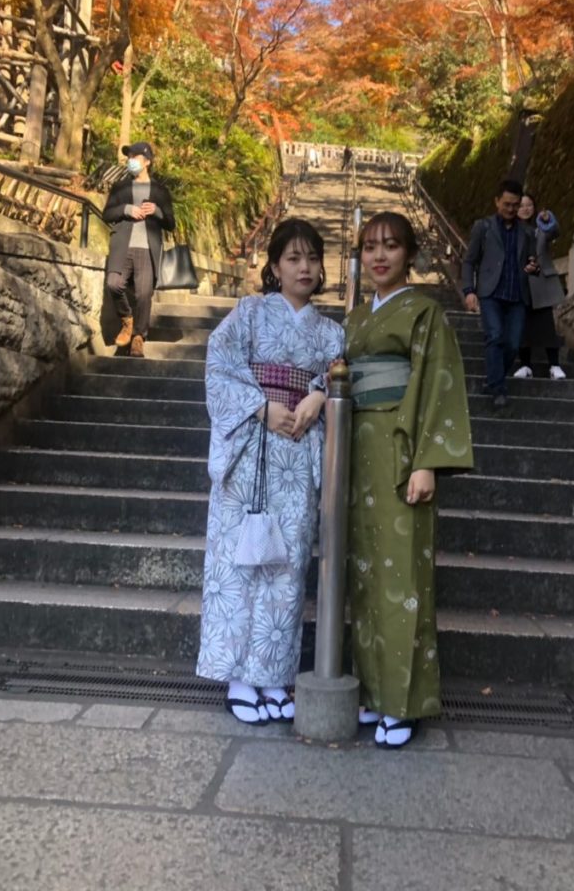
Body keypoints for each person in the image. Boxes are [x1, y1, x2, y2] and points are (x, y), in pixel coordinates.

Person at [197, 218, 344, 725]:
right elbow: (219, 364)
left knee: (287, 567)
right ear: (275, 266)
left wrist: (320, 394)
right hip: (252, 448)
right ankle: (239, 677)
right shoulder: (249, 313)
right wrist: (261, 408)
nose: (304, 268)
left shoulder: (331, 332)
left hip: (299, 454)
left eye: (312, 258)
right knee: (241, 564)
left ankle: (275, 678)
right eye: (293, 259)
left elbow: (339, 374)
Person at [344, 211, 473, 749]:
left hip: (399, 446)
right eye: (370, 247)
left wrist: (427, 461)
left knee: (403, 579)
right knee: (366, 576)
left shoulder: (425, 313)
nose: (379, 256)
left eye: (390, 246)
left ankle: (405, 700)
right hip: (355, 453)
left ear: (410, 254)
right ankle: (375, 693)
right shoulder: (355, 318)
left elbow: (437, 381)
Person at [461, 179, 538, 408]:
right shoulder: (483, 227)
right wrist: (469, 290)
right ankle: (498, 389)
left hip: (517, 295)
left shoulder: (527, 232)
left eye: (515, 205)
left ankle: (493, 379)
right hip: (491, 293)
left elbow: (533, 262)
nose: (511, 209)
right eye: (507, 204)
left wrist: (533, 268)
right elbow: (469, 261)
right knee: (494, 336)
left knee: (513, 345)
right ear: (497, 202)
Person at [103, 141, 175, 358]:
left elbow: (171, 223)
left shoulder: (160, 191)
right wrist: (126, 209)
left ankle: (138, 337)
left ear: (147, 162)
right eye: (129, 157)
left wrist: (157, 211)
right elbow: (107, 214)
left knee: (144, 294)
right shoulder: (121, 187)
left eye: (134, 157)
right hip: (123, 245)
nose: (130, 161)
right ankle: (127, 320)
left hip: (147, 248)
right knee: (113, 284)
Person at [514, 193, 566, 380]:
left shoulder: (540, 229)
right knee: (522, 326)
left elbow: (555, 231)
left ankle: (555, 365)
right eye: (521, 205)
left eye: (529, 205)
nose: (525, 208)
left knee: (546, 325)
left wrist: (548, 218)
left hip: (540, 283)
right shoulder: (512, 230)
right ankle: (526, 365)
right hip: (521, 283)